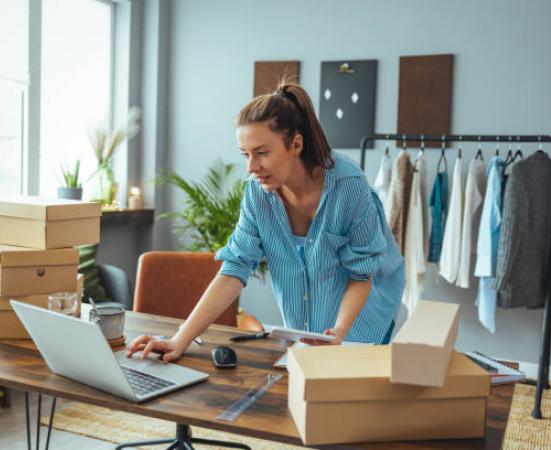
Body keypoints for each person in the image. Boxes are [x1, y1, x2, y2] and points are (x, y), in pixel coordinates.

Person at [127, 82, 405, 363]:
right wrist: (179, 340)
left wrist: (340, 332)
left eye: (261, 153)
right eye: (245, 155)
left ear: (296, 144)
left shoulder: (348, 185)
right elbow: (234, 268)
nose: (251, 167)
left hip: (363, 319)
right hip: (309, 332)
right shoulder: (257, 194)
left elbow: (361, 275)